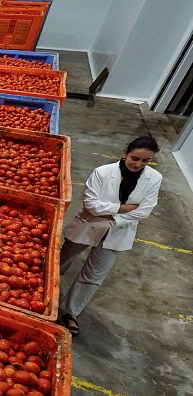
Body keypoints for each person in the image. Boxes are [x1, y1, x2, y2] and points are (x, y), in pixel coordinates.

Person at [59, 136, 162, 336]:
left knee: (94, 275)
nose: (138, 164)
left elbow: (144, 211)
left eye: (145, 161)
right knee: (63, 258)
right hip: (88, 225)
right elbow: (91, 205)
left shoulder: (154, 178)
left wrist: (112, 216)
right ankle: (46, 288)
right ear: (126, 153)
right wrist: (124, 208)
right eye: (135, 158)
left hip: (118, 231)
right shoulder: (103, 172)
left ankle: (70, 312)